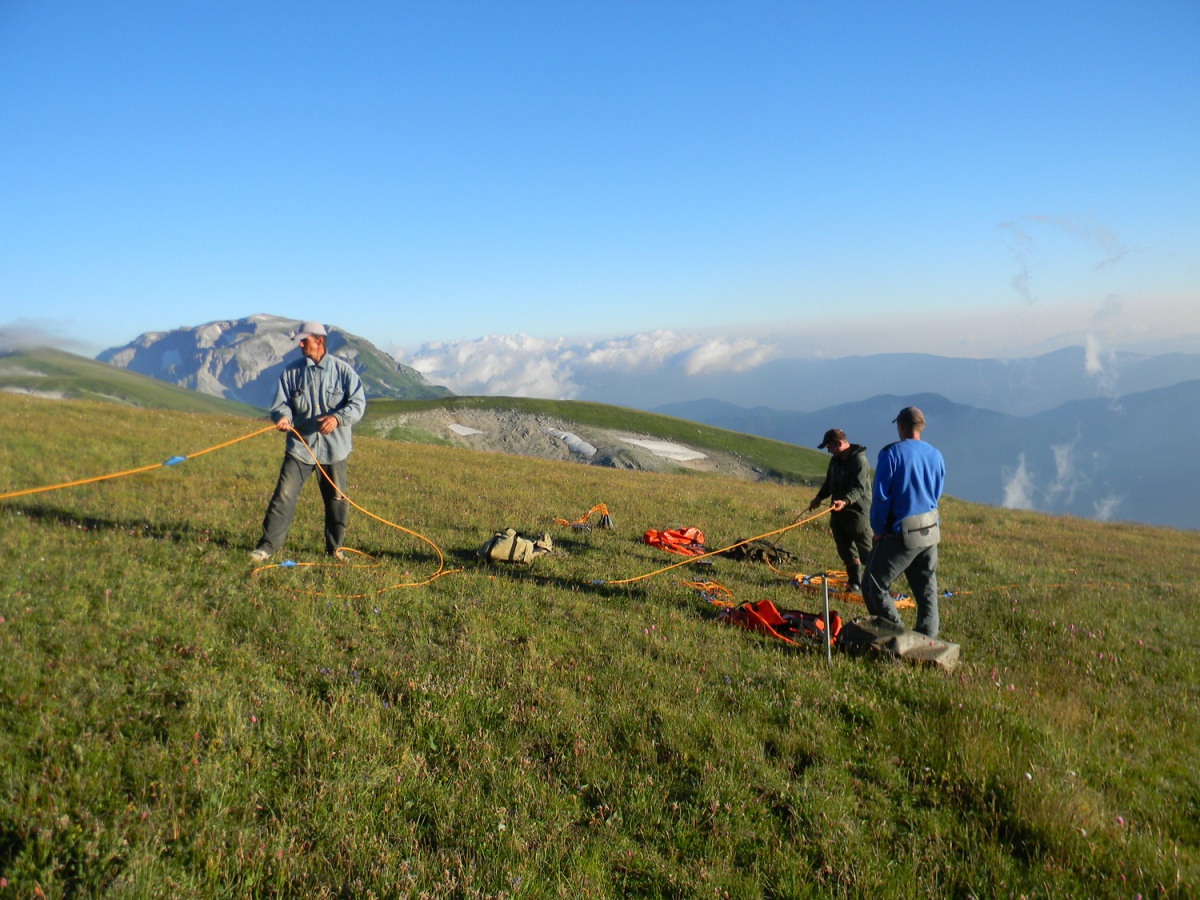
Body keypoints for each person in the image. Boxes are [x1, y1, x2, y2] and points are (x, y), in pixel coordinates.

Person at [250, 321, 367, 562]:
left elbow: (358, 405)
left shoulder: (343, 372)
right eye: (300, 341)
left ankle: (335, 550)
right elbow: (281, 404)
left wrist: (337, 418)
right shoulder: (291, 372)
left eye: (304, 341)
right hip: (300, 448)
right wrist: (283, 417)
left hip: (335, 451)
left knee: (337, 500)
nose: (300, 345)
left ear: (319, 341)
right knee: (284, 495)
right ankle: (267, 547)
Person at [862, 406, 946, 637]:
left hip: (902, 532)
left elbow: (881, 497)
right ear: (921, 427)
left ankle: (896, 634)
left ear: (900, 426)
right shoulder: (936, 455)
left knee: (872, 584)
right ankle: (928, 638)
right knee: (926, 588)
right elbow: (936, 492)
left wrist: (879, 529)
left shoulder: (891, 453)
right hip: (930, 529)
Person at [802, 428, 872, 594]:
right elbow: (829, 483)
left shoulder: (859, 461)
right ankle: (855, 583)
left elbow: (859, 488)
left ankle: (877, 586)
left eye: (829, 447)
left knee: (867, 551)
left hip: (857, 514)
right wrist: (819, 498)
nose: (828, 451)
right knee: (845, 550)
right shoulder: (835, 460)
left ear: (839, 443)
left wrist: (845, 501)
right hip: (838, 512)